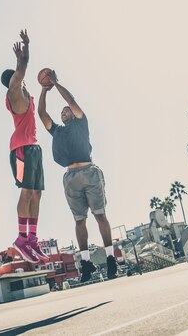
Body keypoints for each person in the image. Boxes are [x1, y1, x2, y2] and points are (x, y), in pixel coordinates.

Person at [37, 70, 117, 282]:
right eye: (62, 113)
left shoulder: (82, 122)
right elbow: (42, 115)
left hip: (89, 172)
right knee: (79, 221)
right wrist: (44, 90)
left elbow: (70, 100)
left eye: (66, 111)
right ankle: (86, 262)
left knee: (100, 215)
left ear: (72, 113)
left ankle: (110, 259)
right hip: (70, 177)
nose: (64, 113)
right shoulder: (57, 131)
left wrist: (55, 83)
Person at [1, 30, 50, 264]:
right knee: (26, 192)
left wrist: (23, 55)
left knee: (37, 193)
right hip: (20, 149)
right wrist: (26, 48)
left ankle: (32, 238)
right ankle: (21, 238)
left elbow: (22, 67)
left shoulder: (27, 98)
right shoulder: (14, 93)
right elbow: (22, 68)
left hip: (34, 148)